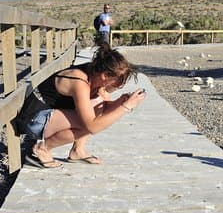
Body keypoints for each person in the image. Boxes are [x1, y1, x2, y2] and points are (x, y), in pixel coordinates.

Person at [16, 43, 145, 168]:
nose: (120, 86)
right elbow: (92, 126)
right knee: (88, 123)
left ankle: (77, 151)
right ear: (104, 75)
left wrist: (120, 102)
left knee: (99, 105)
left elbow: (104, 109)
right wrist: (126, 107)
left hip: (47, 116)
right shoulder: (79, 81)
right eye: (119, 82)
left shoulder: (94, 75)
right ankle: (41, 149)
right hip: (32, 119)